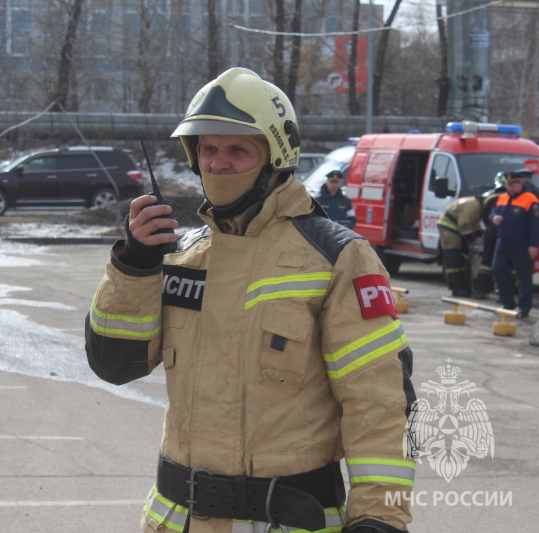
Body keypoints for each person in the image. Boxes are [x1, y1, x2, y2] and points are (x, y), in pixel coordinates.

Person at [85, 68, 415, 533]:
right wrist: (136, 265)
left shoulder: (336, 257)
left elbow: (380, 404)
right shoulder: (182, 256)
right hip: (176, 520)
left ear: (276, 155)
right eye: (208, 149)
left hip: (286, 519)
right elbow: (114, 364)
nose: (218, 163)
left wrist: (380, 518)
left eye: (237, 149)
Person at [490, 171, 539, 318]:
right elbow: (494, 212)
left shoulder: (531, 199)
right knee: (498, 270)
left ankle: (524, 308)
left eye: (513, 184)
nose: (509, 188)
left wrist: (533, 245)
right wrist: (494, 218)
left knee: (524, 278)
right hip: (503, 244)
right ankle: (508, 304)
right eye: (507, 184)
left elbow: (535, 224)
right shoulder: (502, 198)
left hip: (522, 246)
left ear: (520, 183)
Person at [437, 195, 485, 297]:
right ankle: (456, 288)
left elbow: (475, 224)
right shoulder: (474, 206)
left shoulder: (476, 205)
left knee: (461, 258)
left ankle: (464, 287)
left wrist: (479, 234)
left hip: (455, 229)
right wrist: (475, 239)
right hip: (449, 229)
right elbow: (464, 225)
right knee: (454, 258)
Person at [474, 174, 507, 299]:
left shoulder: (487, 196)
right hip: (506, 236)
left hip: (491, 234)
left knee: (486, 263)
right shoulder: (511, 197)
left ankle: (482, 290)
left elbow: (484, 217)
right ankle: (502, 291)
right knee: (506, 265)